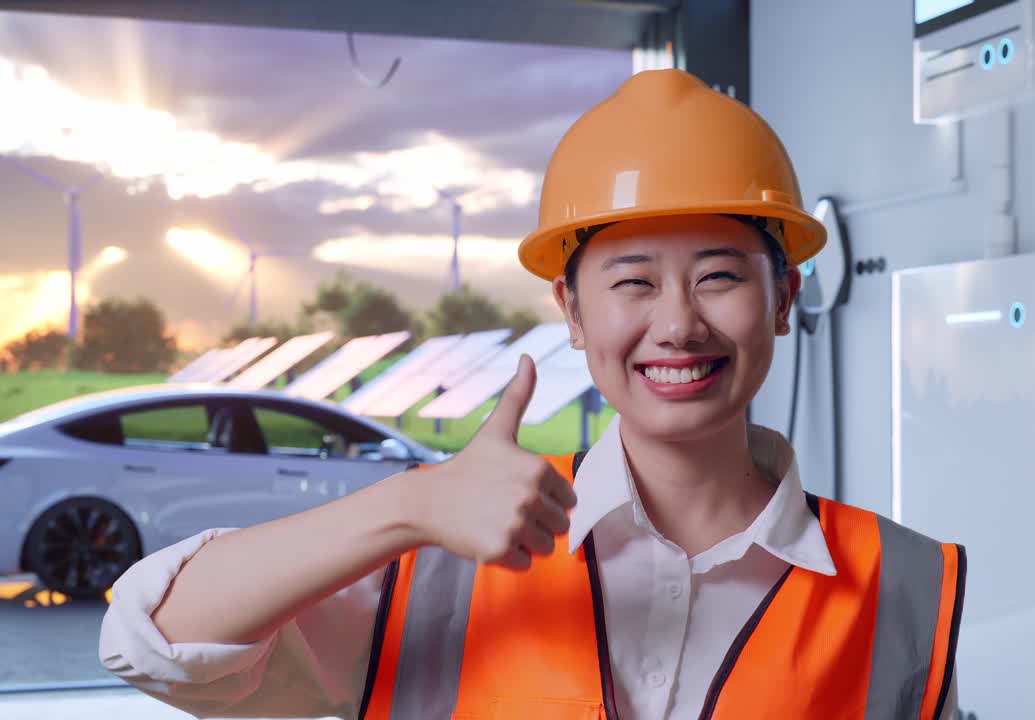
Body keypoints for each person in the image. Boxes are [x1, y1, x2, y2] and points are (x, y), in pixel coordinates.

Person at [100, 68, 964, 720]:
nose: (678, 325)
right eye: (632, 282)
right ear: (572, 312)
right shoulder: (441, 559)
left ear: (782, 299)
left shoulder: (906, 585)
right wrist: (407, 505)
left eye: (717, 277)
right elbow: (150, 639)